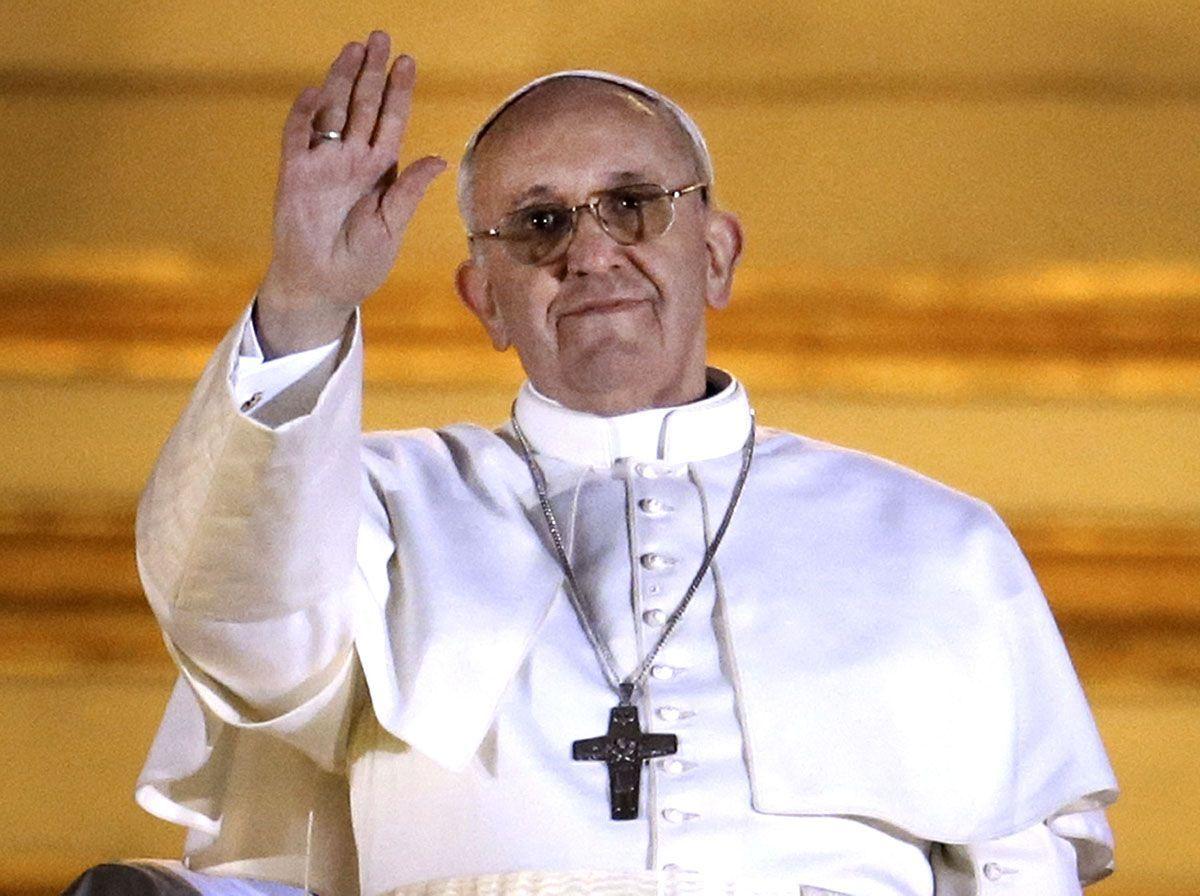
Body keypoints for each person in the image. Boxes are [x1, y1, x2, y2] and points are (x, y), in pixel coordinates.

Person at [70, 29, 1119, 896]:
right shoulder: (377, 505)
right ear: (484, 298)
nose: (590, 249)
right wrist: (304, 297)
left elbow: (1019, 868)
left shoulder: (938, 543)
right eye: (537, 223)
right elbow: (237, 625)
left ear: (714, 254)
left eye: (633, 202)